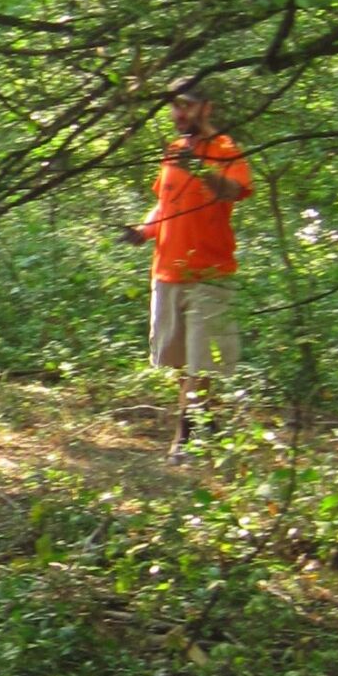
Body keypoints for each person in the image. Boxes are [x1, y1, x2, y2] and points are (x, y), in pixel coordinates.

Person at [121, 78, 253, 460]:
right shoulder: (173, 150)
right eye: (174, 106)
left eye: (188, 105)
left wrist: (200, 169)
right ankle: (207, 426)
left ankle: (185, 440)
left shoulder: (225, 150)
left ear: (206, 108)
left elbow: (232, 191)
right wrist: (143, 231)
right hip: (168, 271)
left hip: (210, 274)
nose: (179, 113)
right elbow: (165, 203)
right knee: (182, 362)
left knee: (202, 361)